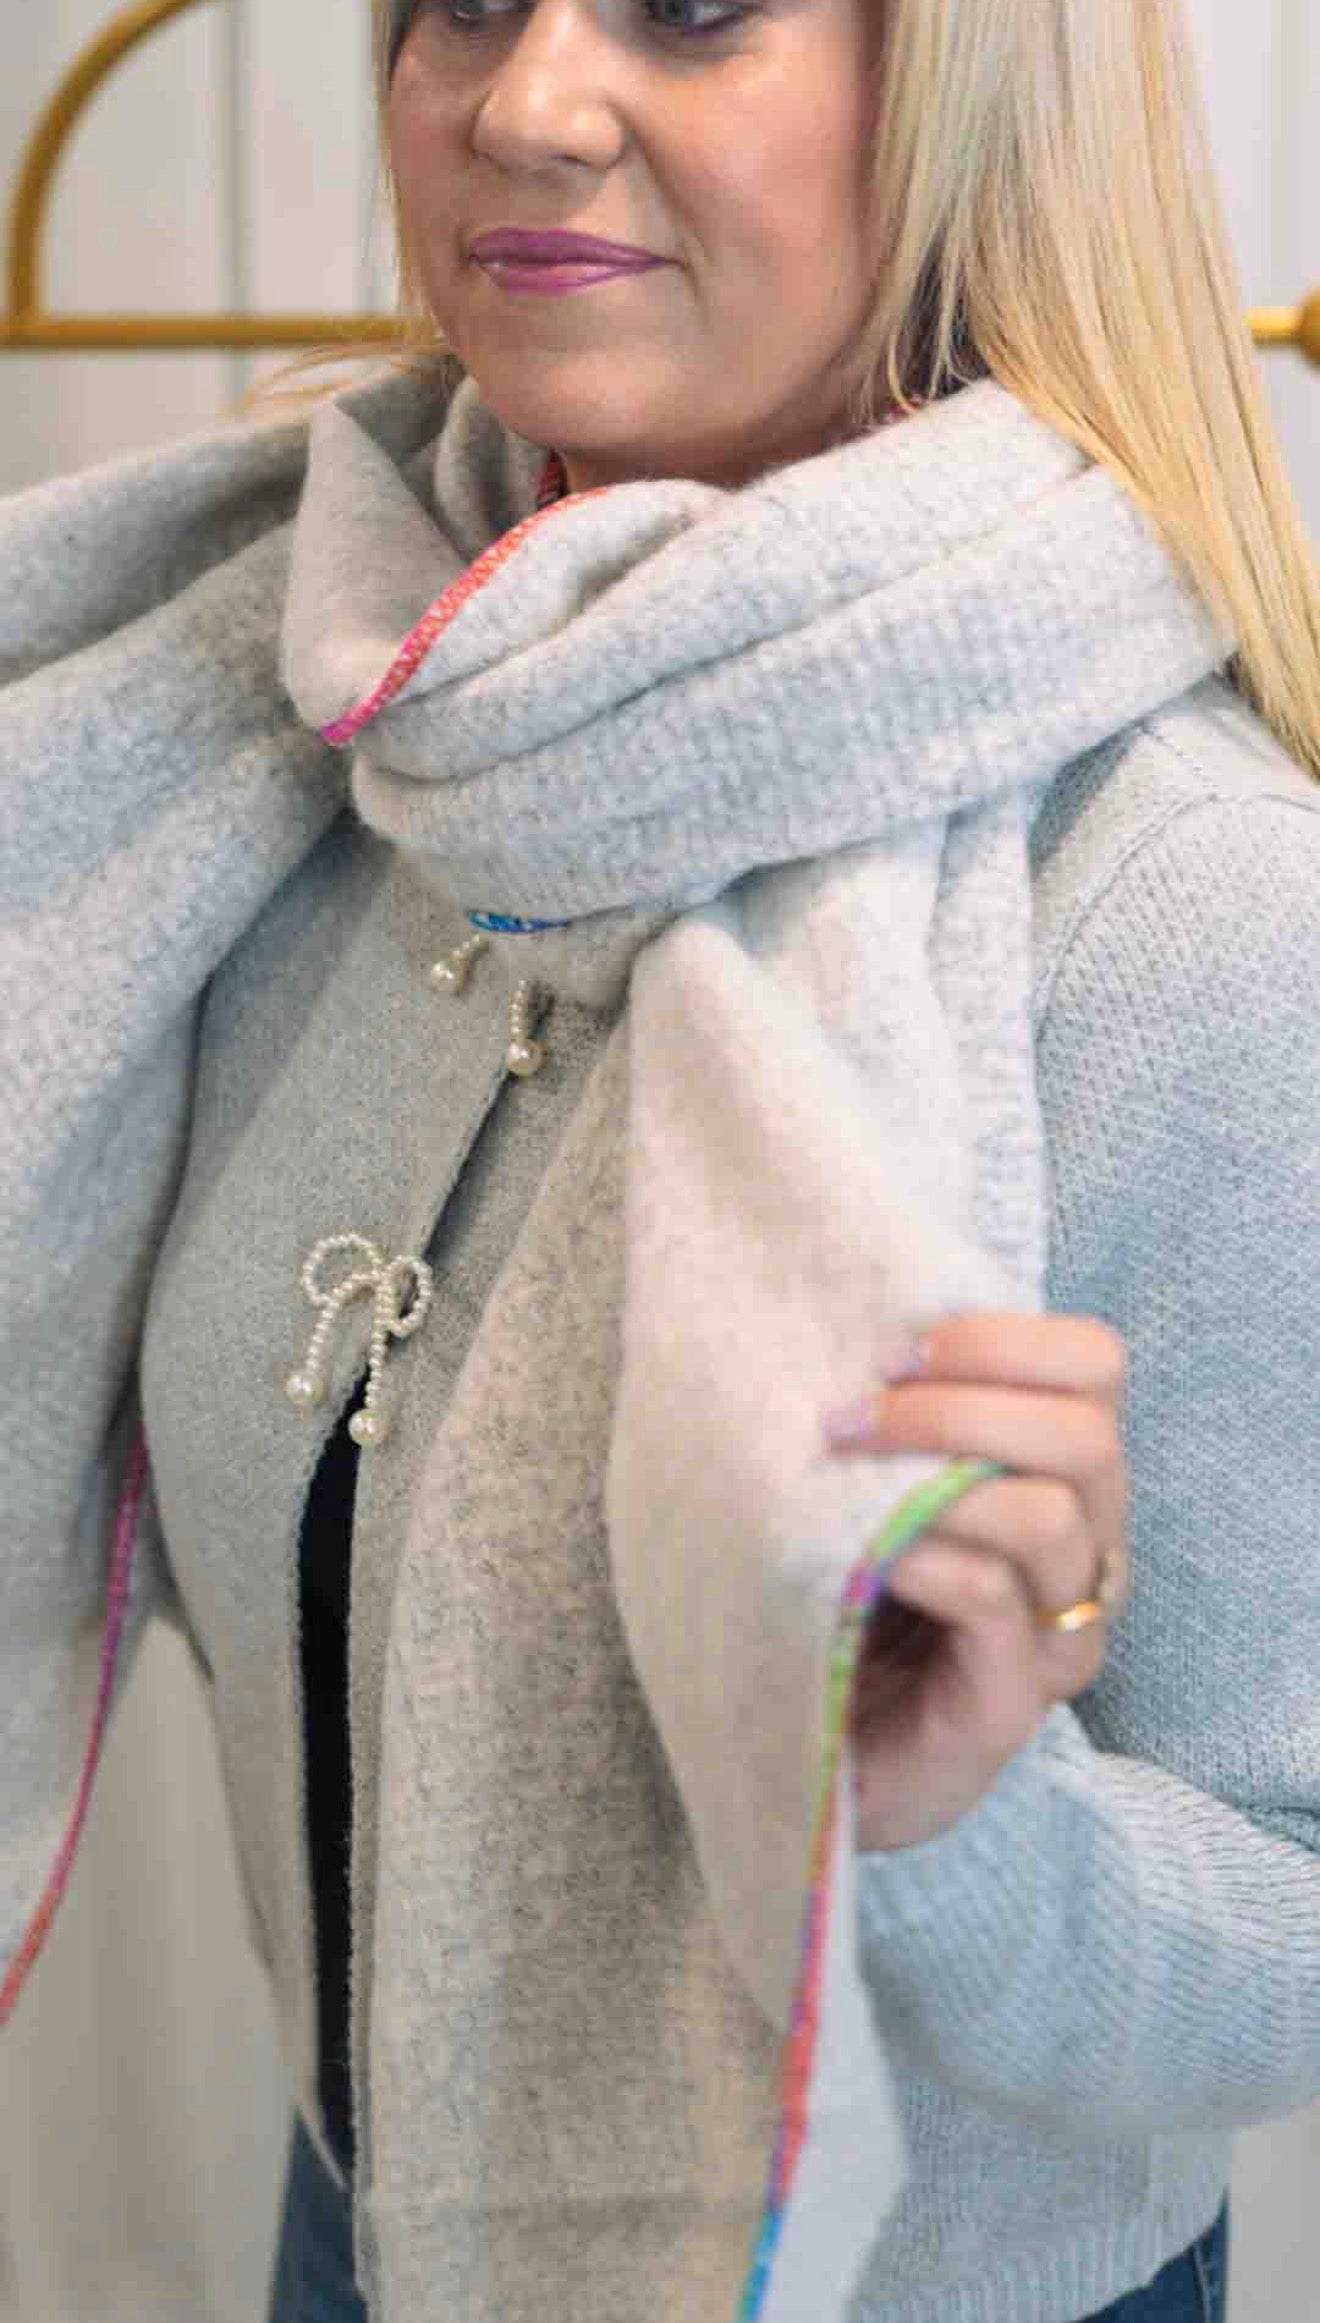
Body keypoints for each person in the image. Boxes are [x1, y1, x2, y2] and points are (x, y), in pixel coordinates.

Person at [2, 0, 1319, 2320]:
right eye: (458, 1)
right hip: (358, 2234)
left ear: (967, 91)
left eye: (694, 1)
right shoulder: (314, 719)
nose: (520, 102)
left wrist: (953, 1825)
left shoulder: (1179, 899)